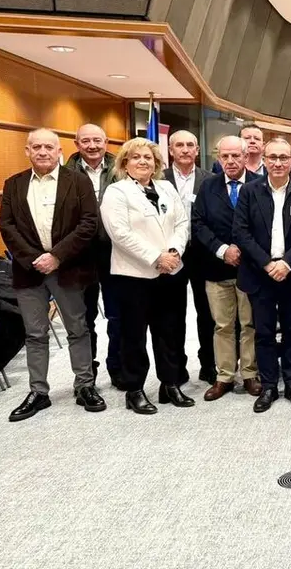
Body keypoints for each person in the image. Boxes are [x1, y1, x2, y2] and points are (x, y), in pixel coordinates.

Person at [0, 129, 104, 421]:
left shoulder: (78, 181)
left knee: (78, 329)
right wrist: (35, 259)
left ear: (59, 151)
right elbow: (6, 226)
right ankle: (38, 392)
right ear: (27, 151)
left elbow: (88, 223)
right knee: (35, 334)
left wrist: (56, 256)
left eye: (48, 147)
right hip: (29, 271)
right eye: (36, 147)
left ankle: (85, 385)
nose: (42, 151)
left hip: (68, 268)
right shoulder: (14, 184)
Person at [99, 138, 193, 415]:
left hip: (170, 272)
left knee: (170, 332)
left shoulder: (166, 188)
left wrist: (174, 251)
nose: (143, 161)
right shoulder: (117, 192)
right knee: (133, 335)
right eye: (136, 157)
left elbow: (182, 222)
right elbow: (119, 233)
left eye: (148, 157)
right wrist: (156, 257)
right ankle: (134, 389)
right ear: (124, 163)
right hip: (134, 275)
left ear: (156, 163)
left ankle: (170, 384)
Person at [232, 138, 291, 412]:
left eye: (283, 158)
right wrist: (268, 264)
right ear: (264, 160)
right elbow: (241, 232)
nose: (278, 163)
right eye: (273, 157)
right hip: (260, 274)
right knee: (264, 332)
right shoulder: (249, 191)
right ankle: (269, 385)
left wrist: (287, 263)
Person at [190, 136, 262, 401]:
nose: (230, 161)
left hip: (250, 268)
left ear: (246, 156)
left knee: (249, 324)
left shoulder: (260, 184)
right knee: (222, 325)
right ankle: (224, 376)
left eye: (236, 156)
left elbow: (266, 224)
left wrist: (245, 250)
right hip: (216, 267)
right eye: (225, 156)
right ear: (218, 158)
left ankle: (250, 373)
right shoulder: (208, 186)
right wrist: (222, 250)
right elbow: (198, 224)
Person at [64, 123, 122, 386]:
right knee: (84, 318)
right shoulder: (65, 174)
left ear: (106, 142)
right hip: (80, 255)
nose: (92, 146)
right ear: (77, 144)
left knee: (117, 315)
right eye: (85, 141)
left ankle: (117, 367)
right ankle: (88, 371)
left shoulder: (121, 168)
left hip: (115, 252)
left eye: (97, 140)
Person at [164, 129, 215, 385]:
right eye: (179, 145)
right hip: (171, 255)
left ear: (197, 149)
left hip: (203, 254)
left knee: (207, 313)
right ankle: (177, 369)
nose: (185, 150)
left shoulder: (211, 180)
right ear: (170, 150)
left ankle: (209, 364)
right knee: (173, 314)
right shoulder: (159, 179)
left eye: (190, 145)